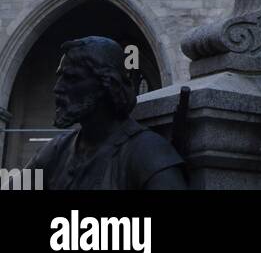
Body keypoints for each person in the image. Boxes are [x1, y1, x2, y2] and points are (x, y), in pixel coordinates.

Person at [28, 37, 187, 191]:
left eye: (72, 78)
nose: (58, 88)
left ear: (107, 85)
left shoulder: (148, 152)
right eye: (60, 77)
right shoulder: (55, 151)